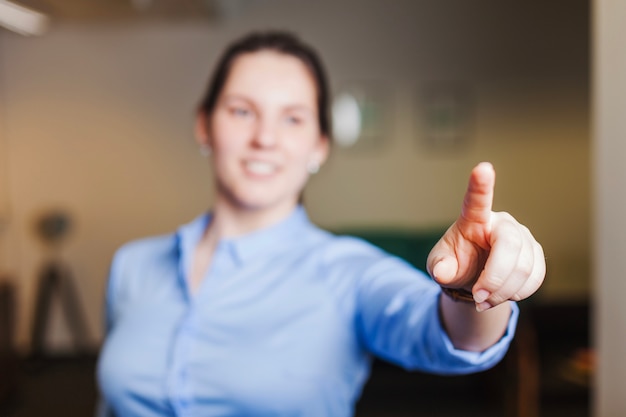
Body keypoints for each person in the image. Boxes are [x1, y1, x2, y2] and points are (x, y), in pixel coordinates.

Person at [96, 31, 545, 417]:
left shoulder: (349, 271)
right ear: (204, 126)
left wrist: (469, 288)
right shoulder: (132, 266)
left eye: (292, 118)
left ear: (320, 146)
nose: (265, 138)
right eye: (241, 111)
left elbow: (445, 335)